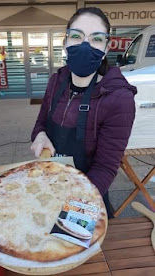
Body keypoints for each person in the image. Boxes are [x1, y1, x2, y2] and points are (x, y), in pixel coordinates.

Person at [30, 7, 137, 219]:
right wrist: (39, 135)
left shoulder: (119, 99)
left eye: (96, 39)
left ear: (106, 48)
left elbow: (105, 168)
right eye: (77, 36)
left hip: (88, 197)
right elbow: (40, 124)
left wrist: (72, 210)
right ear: (65, 42)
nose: (85, 45)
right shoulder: (55, 81)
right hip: (49, 186)